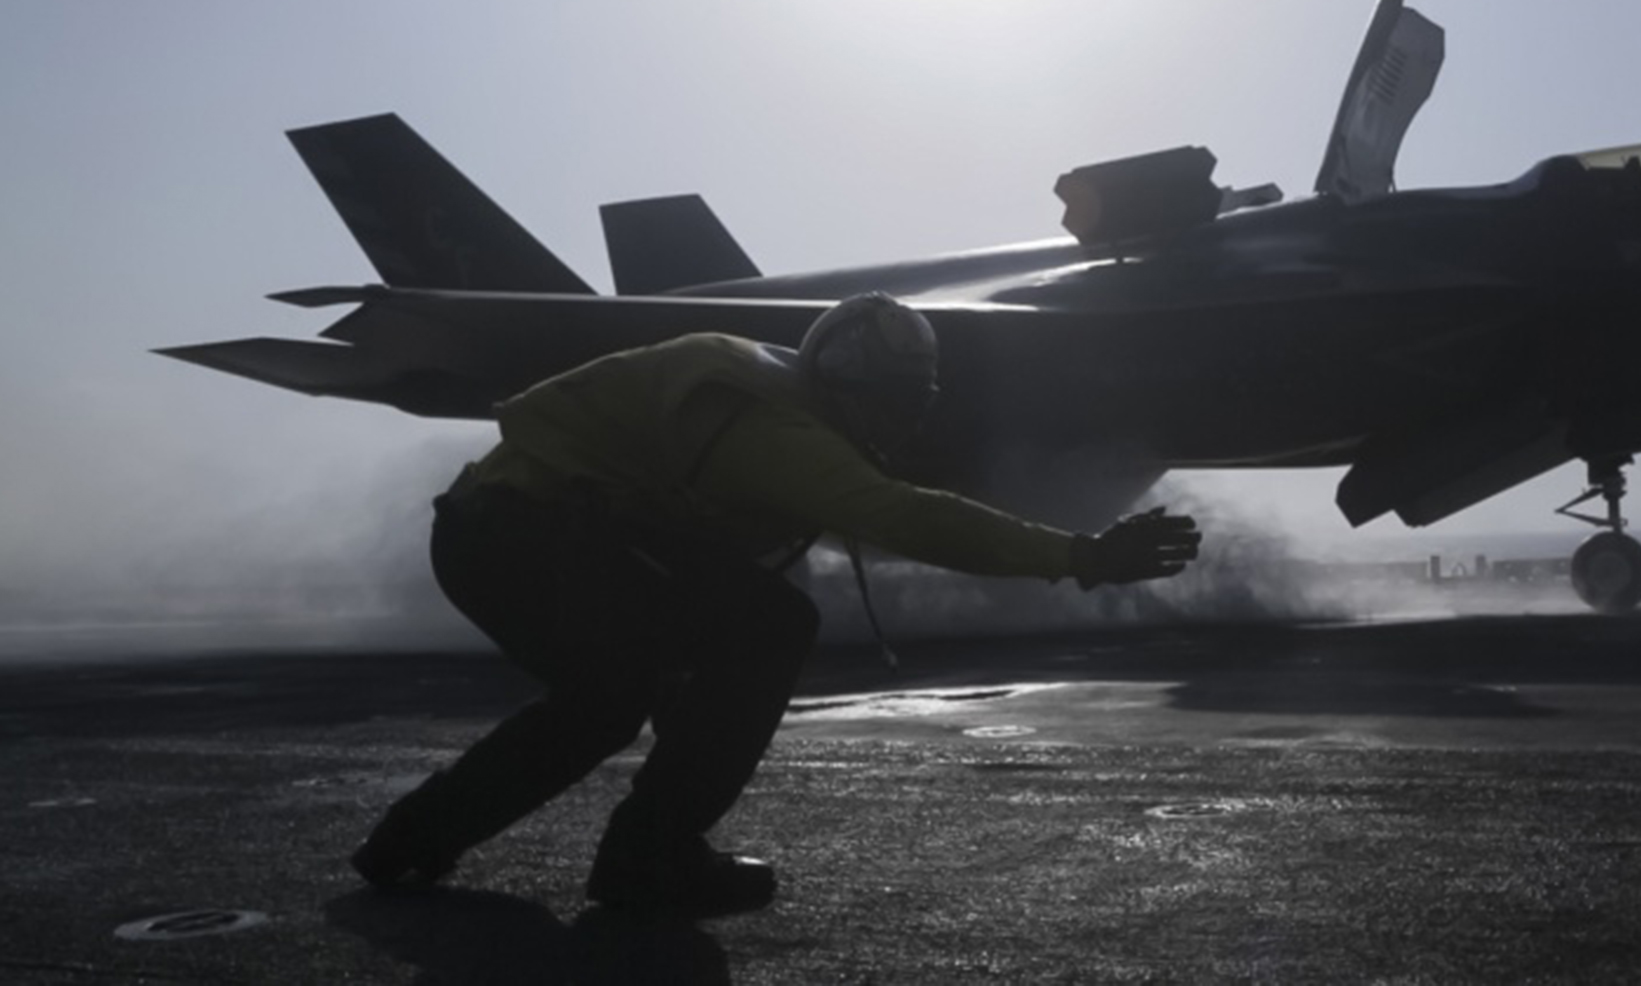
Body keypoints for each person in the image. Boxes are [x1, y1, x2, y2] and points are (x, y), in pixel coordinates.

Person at [350, 294, 1202, 916]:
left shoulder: (778, 392)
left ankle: (414, 844)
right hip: (526, 541)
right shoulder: (776, 428)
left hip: (510, 539)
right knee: (765, 627)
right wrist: (1081, 555)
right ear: (850, 388)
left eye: (915, 401)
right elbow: (903, 514)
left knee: (611, 701)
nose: (902, 421)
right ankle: (650, 859)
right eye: (892, 400)